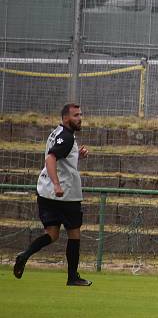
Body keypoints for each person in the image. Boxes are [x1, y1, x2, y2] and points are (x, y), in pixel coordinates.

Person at [13, 103, 92, 286]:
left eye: (80, 115)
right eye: (76, 115)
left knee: (52, 234)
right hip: (64, 194)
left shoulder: (58, 133)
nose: (80, 118)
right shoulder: (66, 137)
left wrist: (75, 156)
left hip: (45, 192)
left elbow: (57, 155)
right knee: (74, 233)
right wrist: (57, 184)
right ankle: (73, 277)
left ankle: (24, 255)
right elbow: (50, 158)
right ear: (66, 118)